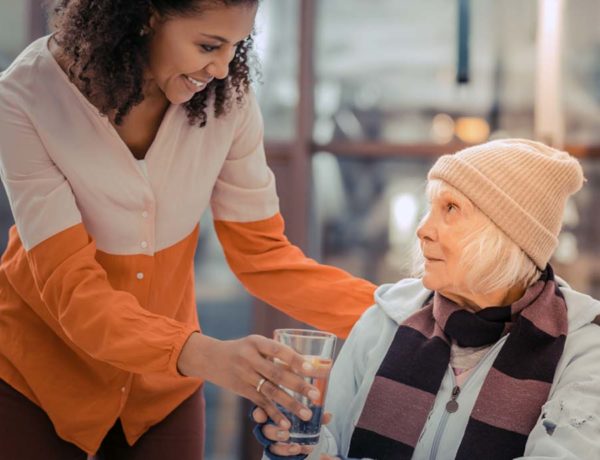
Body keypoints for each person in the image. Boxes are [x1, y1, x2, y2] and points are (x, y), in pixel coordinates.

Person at [0, 1, 376, 458]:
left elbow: (263, 256)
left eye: (236, 47)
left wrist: (400, 320)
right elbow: (72, 292)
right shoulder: (25, 97)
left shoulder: (229, 101)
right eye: (208, 45)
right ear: (146, 16)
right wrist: (207, 355)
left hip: (163, 389)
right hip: (38, 381)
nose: (221, 69)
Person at [254, 139, 600, 460]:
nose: (423, 229)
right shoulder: (385, 318)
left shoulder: (583, 348)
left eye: (450, 208)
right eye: (430, 207)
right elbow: (329, 438)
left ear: (507, 237)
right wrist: (297, 446)